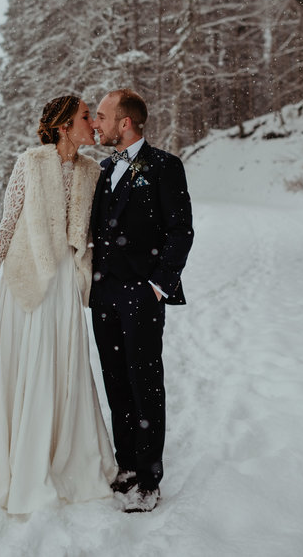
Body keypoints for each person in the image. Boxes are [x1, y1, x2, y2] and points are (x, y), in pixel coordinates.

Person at [0, 95, 117, 514]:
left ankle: (61, 457)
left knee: (62, 369)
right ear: (63, 126)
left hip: (65, 282)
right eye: (84, 118)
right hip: (26, 280)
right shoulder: (30, 162)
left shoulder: (92, 171)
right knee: (27, 367)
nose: (93, 124)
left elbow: (95, 233)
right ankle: (19, 464)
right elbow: (7, 224)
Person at [89, 88, 194, 513]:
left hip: (141, 291)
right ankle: (128, 465)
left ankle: (149, 479)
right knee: (115, 380)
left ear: (125, 122)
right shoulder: (102, 168)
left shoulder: (166, 167)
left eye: (101, 116)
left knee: (145, 384)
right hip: (104, 291)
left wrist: (158, 284)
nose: (96, 123)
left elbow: (181, 231)